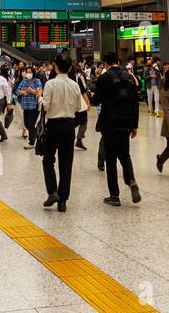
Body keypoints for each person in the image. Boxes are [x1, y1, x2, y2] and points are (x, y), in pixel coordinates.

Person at [94, 53, 142, 206]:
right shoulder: (129, 78)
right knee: (125, 155)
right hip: (126, 123)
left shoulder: (103, 78)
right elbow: (136, 104)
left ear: (106, 64)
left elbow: (96, 100)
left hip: (109, 123)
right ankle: (131, 181)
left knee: (111, 159)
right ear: (118, 62)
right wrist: (134, 125)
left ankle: (114, 195)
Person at [41, 52, 83, 211]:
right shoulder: (75, 85)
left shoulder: (50, 84)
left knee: (48, 159)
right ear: (70, 67)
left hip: (53, 125)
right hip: (69, 126)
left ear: (55, 67)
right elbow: (79, 108)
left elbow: (45, 106)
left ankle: (52, 192)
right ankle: (63, 200)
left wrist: (42, 100)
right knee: (66, 163)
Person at [15, 68, 42, 149]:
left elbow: (39, 92)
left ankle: (32, 142)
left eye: (30, 72)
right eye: (27, 72)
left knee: (30, 123)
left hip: (34, 106)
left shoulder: (37, 81)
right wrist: (23, 92)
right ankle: (35, 133)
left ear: (33, 73)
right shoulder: (24, 81)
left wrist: (31, 90)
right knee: (27, 124)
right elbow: (17, 91)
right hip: (25, 106)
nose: (28, 74)